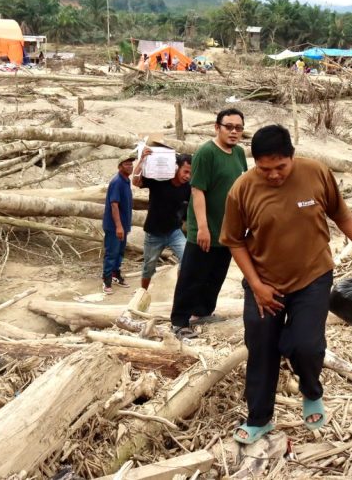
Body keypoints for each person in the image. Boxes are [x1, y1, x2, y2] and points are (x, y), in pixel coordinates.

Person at [222, 125, 352, 444]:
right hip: (264, 283)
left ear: (292, 157)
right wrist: (256, 285)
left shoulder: (316, 174)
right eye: (264, 169)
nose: (273, 175)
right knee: (261, 348)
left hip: (313, 276)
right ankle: (259, 419)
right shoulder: (242, 189)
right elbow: (234, 241)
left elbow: (342, 216)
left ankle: (311, 391)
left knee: (306, 345)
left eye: (280, 167)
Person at [170, 108, 248, 338]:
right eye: (229, 127)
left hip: (228, 228)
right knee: (193, 275)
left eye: (239, 128)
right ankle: (179, 320)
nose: (234, 132)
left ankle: (202, 312)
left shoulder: (239, 154)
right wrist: (202, 227)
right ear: (217, 127)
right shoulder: (206, 153)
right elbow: (197, 190)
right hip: (205, 227)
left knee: (216, 274)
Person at [132, 150, 192, 290]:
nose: (188, 176)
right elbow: (135, 181)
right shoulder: (159, 180)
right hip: (154, 234)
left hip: (174, 232)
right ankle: (142, 293)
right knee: (148, 268)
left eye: (190, 173)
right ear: (177, 167)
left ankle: (180, 294)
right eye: (185, 171)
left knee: (187, 260)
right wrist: (141, 160)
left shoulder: (188, 187)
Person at [101, 155, 135, 294]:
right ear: (120, 166)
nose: (130, 166)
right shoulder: (117, 182)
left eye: (131, 164)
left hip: (124, 224)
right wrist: (119, 226)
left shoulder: (126, 181)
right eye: (127, 164)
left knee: (120, 252)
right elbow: (114, 205)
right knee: (111, 252)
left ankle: (115, 275)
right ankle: (106, 280)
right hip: (114, 225)